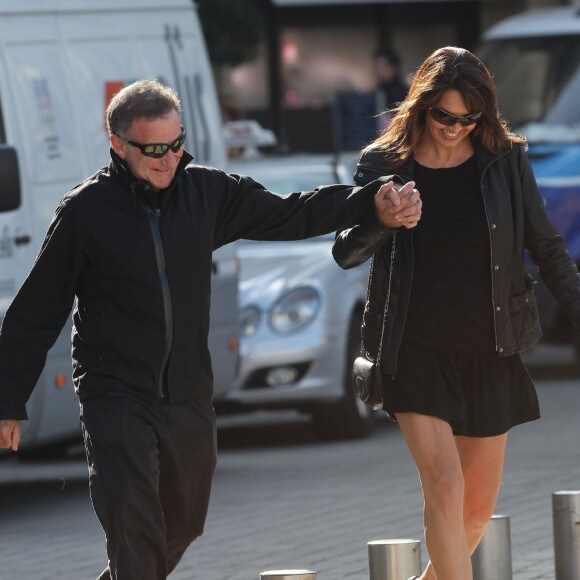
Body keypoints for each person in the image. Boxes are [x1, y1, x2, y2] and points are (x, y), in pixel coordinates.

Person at [0, 79, 421, 580]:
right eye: (153, 149)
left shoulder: (207, 192)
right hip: (116, 395)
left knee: (185, 520)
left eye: (176, 145)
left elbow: (294, 210)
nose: (168, 159)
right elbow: (35, 311)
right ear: (117, 144)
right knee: (134, 522)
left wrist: (368, 203)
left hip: (188, 394)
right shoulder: (86, 212)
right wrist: (10, 400)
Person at [333, 47, 580, 580]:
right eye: (445, 115)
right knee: (444, 488)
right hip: (413, 350)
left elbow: (548, 247)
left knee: (473, 515)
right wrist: (384, 219)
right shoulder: (383, 164)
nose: (455, 127)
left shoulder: (505, 159)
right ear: (423, 105)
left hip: (490, 348)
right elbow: (346, 251)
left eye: (468, 118)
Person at [373, 47, 409, 112]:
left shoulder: (404, 93)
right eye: (376, 67)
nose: (378, 70)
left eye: (381, 67)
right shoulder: (378, 91)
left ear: (393, 67)